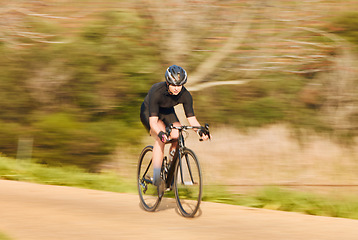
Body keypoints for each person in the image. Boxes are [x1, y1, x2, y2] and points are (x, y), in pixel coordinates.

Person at [140, 65, 210, 194]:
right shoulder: (157, 91)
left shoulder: (185, 95)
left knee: (178, 134)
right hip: (149, 112)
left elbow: (192, 119)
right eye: (174, 85)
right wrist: (161, 133)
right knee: (161, 137)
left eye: (180, 85)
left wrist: (200, 131)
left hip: (167, 111)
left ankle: (170, 169)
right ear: (167, 83)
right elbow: (153, 122)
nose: (177, 88)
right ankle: (156, 177)